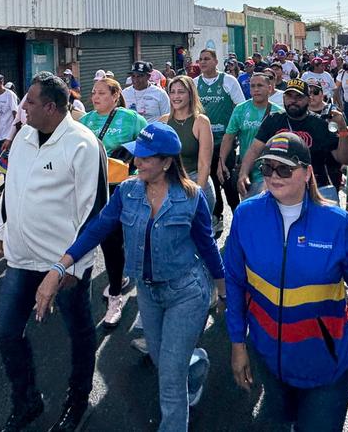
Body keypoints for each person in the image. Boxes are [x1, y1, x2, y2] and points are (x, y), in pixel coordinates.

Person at [36, 123, 225, 432]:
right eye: (137, 155)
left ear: (166, 162)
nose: (137, 162)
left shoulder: (192, 197)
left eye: (146, 158)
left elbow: (207, 246)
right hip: (148, 295)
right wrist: (60, 266)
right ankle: (196, 363)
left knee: (170, 378)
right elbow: (97, 228)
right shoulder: (127, 191)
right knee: (166, 362)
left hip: (186, 293)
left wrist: (223, 290)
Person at [225, 131, 348, 431]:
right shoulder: (246, 215)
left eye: (284, 168)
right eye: (267, 167)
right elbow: (234, 283)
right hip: (268, 360)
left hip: (326, 366)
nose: (274, 176)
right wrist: (238, 343)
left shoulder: (336, 222)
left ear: (307, 172)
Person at [0, 73, 108, 432]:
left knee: (78, 332)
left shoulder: (84, 144)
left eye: (29, 102)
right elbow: (12, 185)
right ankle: (27, 402)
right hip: (22, 260)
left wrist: (74, 267)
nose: (22, 107)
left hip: (64, 264)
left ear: (51, 108)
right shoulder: (24, 136)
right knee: (5, 333)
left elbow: (95, 211)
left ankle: (78, 398)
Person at [80, 76, 148, 328]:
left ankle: (116, 297)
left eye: (101, 93)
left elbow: (149, 143)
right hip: (90, 192)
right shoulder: (85, 120)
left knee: (113, 243)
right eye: (93, 93)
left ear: (115, 96)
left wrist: (131, 150)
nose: (95, 97)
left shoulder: (131, 118)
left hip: (123, 191)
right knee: (85, 243)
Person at [236, 79, 348, 204]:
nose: (293, 101)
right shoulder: (273, 120)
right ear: (284, 98)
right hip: (279, 188)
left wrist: (343, 129)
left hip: (314, 190)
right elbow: (254, 150)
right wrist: (243, 173)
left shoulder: (320, 124)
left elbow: (345, 159)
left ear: (308, 99)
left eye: (298, 97)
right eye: (289, 96)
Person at [195, 49, 246, 231]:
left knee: (228, 180)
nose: (203, 62)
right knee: (210, 180)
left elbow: (241, 107)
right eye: (200, 59)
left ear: (216, 61)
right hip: (203, 142)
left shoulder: (228, 81)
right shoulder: (194, 83)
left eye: (207, 59)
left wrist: (237, 133)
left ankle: (238, 215)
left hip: (225, 140)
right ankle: (217, 215)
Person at [218, 72, 284, 201]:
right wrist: (222, 162)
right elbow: (229, 137)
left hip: (269, 174)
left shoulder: (279, 113)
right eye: (252, 86)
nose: (256, 89)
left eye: (260, 85)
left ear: (270, 88)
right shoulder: (240, 109)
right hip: (246, 173)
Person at [160, 76, 215, 216]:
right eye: (172, 92)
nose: (176, 96)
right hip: (169, 184)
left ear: (191, 95)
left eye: (181, 92)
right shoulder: (164, 121)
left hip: (196, 181)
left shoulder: (201, 121)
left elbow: (204, 164)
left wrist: (198, 195)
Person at [0, 74, 19, 156]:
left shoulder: (10, 95)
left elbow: (15, 114)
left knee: (8, 157)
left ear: (1, 82)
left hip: (8, 134)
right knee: (0, 159)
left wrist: (15, 132)